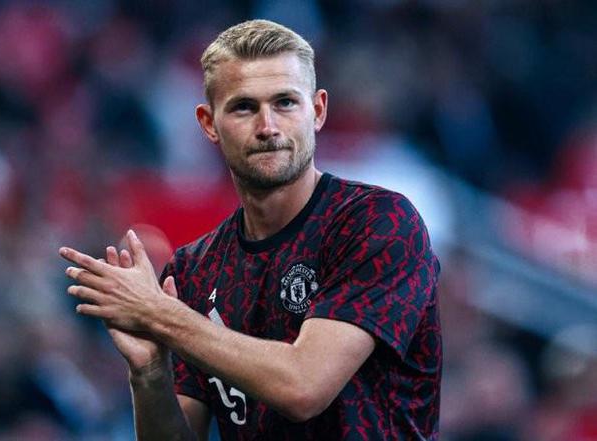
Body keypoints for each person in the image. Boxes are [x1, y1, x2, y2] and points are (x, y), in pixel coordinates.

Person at [59, 19, 442, 440]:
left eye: (285, 103)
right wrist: (149, 373)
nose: (267, 127)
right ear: (208, 123)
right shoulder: (193, 271)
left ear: (317, 111)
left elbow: (304, 387)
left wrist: (161, 315)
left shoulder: (377, 222)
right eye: (244, 107)